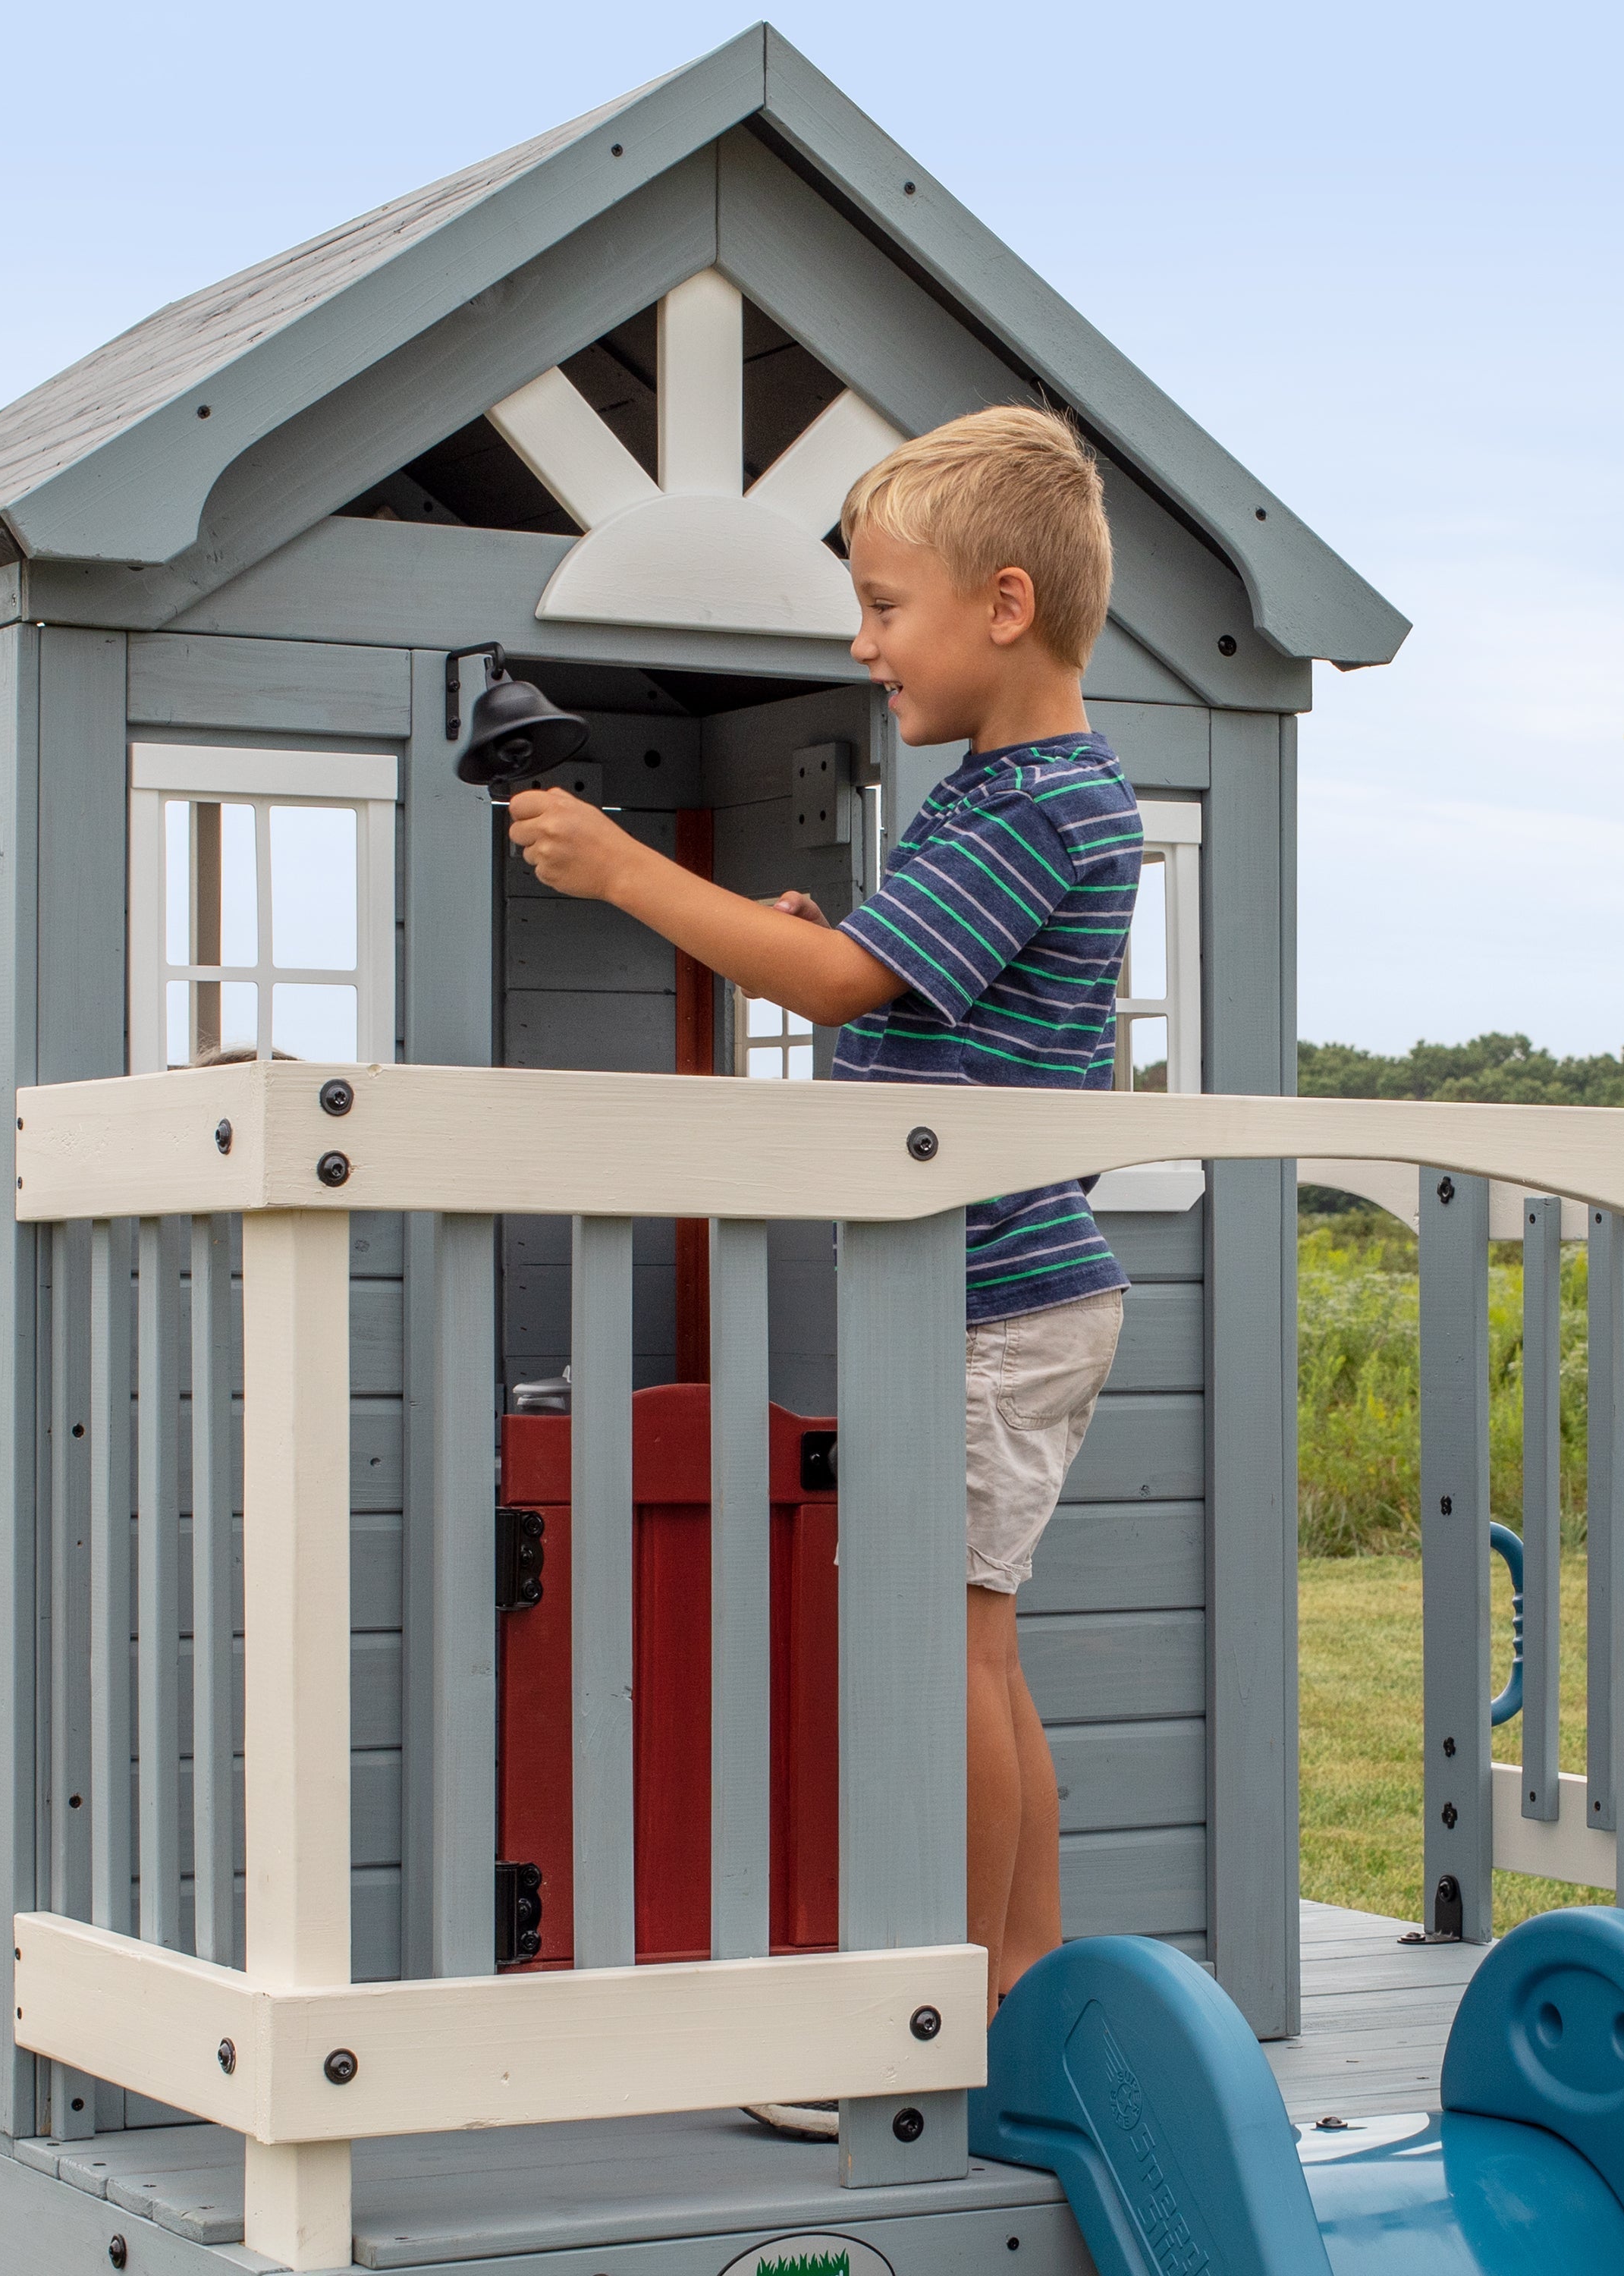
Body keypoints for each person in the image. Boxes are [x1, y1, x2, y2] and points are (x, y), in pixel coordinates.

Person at [503, 402, 1139, 2022]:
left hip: (996, 1293)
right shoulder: (1021, 796)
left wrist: (629, 871)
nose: (865, 647)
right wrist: (794, 941)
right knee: (977, 1650)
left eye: (885, 609)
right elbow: (905, 1001)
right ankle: (1026, 1983)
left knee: (951, 1651)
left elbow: (852, 978)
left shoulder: (1033, 803)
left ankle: (952, 2000)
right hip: (980, 1292)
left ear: (1004, 605)